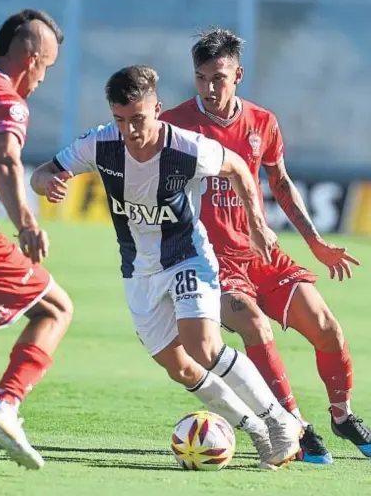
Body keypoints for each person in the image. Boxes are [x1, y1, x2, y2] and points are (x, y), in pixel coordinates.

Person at [31, 64, 303, 470]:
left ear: (157, 109)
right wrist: (47, 182)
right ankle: (254, 430)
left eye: (138, 119)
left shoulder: (188, 147)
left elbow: (240, 168)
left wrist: (257, 224)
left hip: (187, 257)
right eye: (120, 120)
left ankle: (279, 420)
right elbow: (43, 171)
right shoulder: (101, 144)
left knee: (203, 346)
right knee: (179, 367)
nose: (130, 130)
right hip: (138, 271)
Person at [160, 27, 371, 464]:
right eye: (201, 78)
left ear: (239, 74)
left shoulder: (262, 122)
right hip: (210, 263)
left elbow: (282, 182)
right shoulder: (176, 125)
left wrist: (314, 241)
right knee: (255, 326)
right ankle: (293, 426)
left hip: (261, 252)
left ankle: (342, 415)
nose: (210, 87)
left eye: (219, 77)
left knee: (327, 327)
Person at [0, 9, 74, 470]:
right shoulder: (8, 101)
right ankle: (5, 405)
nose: (44, 78)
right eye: (47, 65)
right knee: (57, 308)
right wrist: (26, 222)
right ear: (30, 57)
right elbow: (7, 161)